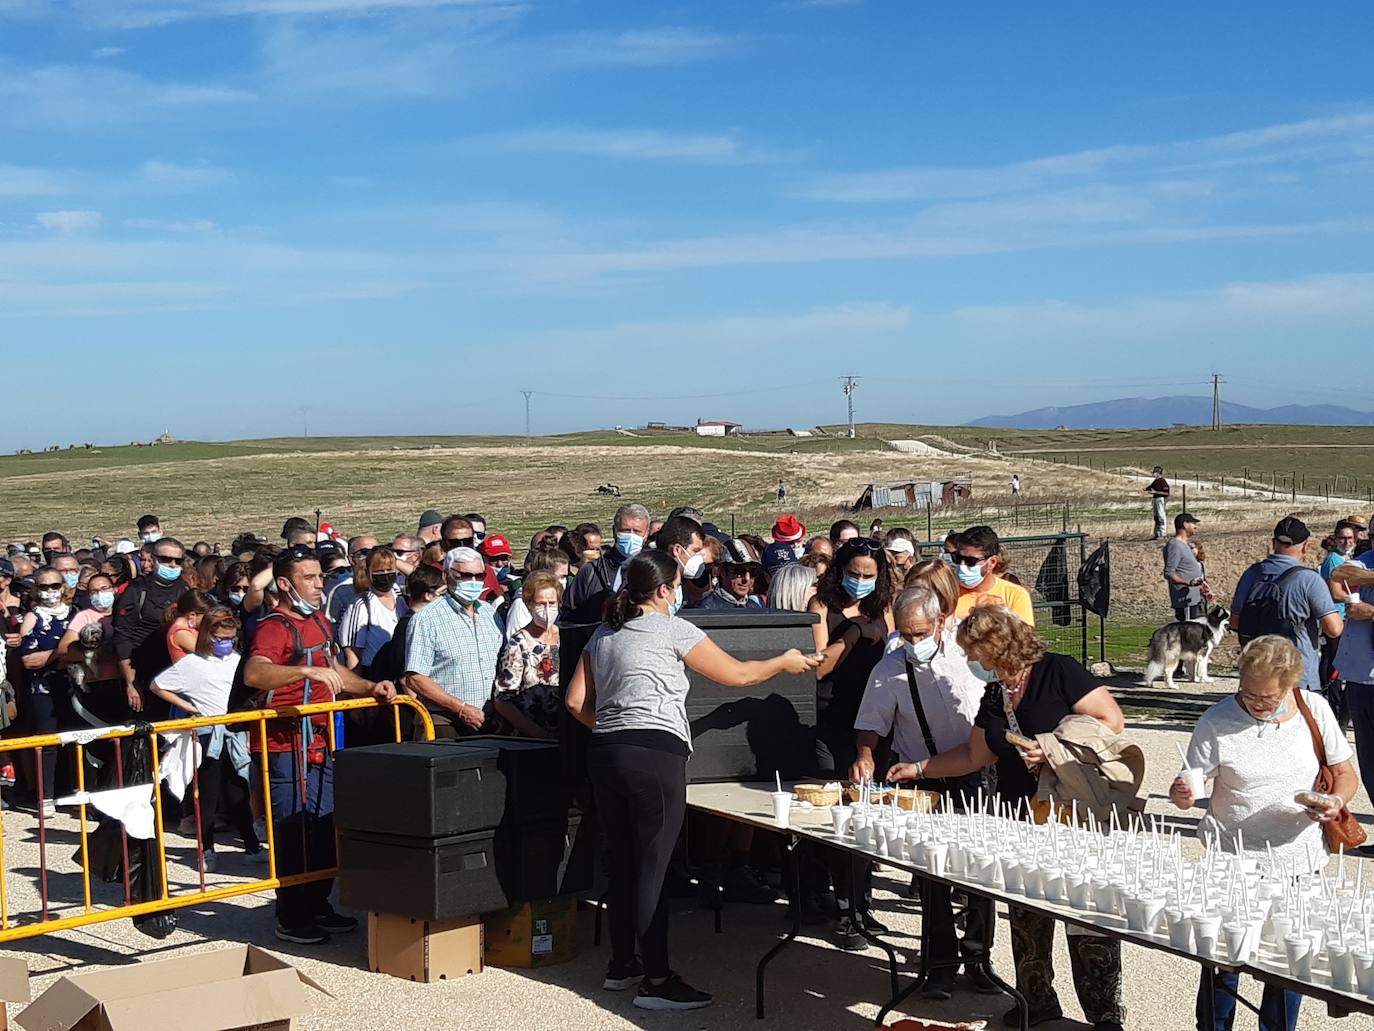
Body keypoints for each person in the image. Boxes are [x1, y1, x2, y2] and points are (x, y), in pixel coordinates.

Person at [565, 551, 816, 1011]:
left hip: (605, 752)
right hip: (654, 753)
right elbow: (737, 675)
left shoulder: (604, 633)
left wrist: (611, 727)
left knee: (624, 862)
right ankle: (657, 980)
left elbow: (575, 701)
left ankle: (622, 966)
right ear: (664, 590)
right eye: (678, 584)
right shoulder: (673, 628)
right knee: (654, 867)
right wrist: (783, 661)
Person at [893, 603, 1127, 1031]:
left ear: (997, 647)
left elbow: (1111, 721)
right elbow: (973, 755)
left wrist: (1055, 748)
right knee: (1026, 913)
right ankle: (1035, 1003)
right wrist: (919, 769)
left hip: (1075, 815)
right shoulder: (996, 692)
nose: (970, 660)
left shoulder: (1059, 671)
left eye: (974, 652)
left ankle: (1105, 1015)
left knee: (1088, 912)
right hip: (1021, 816)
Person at [1171, 635, 1357, 1031]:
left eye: (1268, 697)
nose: (1257, 703)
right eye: (1248, 693)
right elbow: (1186, 790)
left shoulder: (1314, 709)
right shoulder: (1216, 721)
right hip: (1233, 861)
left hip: (1299, 860)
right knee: (1223, 963)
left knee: (1287, 964)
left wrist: (1335, 802)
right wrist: (1182, 794)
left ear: (1290, 685)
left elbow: (1345, 773)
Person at [243, 546, 395, 945]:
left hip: (321, 741)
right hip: (283, 745)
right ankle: (291, 915)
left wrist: (370, 687)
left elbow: (335, 671)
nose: (318, 585)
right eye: (308, 578)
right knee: (293, 832)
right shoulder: (275, 627)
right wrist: (303, 671)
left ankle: (317, 903)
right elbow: (255, 673)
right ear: (284, 583)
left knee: (324, 826)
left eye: (320, 577)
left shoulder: (320, 622)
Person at [852, 585, 994, 999]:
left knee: (980, 869)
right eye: (906, 634)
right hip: (922, 776)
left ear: (939, 622)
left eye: (921, 632)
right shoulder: (889, 668)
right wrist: (864, 755)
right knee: (932, 873)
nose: (914, 641)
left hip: (973, 771)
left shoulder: (966, 657)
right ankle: (940, 964)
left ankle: (979, 958)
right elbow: (871, 722)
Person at [148, 606, 262, 869]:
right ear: (207, 636)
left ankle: (251, 845)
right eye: (220, 638)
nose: (226, 643)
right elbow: (157, 685)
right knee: (208, 794)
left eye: (230, 638)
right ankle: (206, 849)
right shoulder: (191, 663)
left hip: (234, 732)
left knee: (238, 790)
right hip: (208, 734)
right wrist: (188, 707)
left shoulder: (237, 660)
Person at [1229, 516, 1342, 692]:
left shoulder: (1251, 574)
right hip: (1297, 677)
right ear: (1305, 546)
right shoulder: (1309, 579)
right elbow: (1334, 629)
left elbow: (1235, 623)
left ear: (1273, 542)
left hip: (1256, 673)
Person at [404, 547, 504, 739]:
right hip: (443, 721)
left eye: (479, 576)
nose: (473, 581)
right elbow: (416, 678)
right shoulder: (426, 619)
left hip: (488, 720)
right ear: (447, 576)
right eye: (465, 576)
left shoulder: (490, 614)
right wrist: (461, 708)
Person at [113, 536, 190, 714]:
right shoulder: (136, 590)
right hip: (144, 671)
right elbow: (122, 637)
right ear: (154, 559)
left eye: (178, 561)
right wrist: (131, 683)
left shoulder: (185, 589)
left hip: (178, 672)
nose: (172, 565)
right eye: (166, 559)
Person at [19, 566, 75, 813]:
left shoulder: (76, 614)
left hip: (74, 686)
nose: (50, 591)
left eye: (55, 586)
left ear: (63, 587)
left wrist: (58, 656)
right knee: (48, 742)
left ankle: (74, 791)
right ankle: (46, 796)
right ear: (36, 589)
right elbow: (28, 660)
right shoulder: (33, 617)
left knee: (76, 738)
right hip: (43, 688)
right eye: (44, 586)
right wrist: (61, 653)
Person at [493, 571, 563, 739]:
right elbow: (503, 700)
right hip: (532, 735)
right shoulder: (518, 643)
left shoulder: (565, 637)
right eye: (540, 604)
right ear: (529, 604)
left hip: (565, 731)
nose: (547, 609)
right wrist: (537, 734)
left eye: (551, 603)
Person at [60, 573, 126, 724]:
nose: (100, 594)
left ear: (114, 589)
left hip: (124, 682)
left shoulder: (125, 613)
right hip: (96, 684)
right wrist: (94, 655)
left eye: (104, 589)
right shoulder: (84, 617)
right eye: (94, 591)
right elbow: (64, 649)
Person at [339, 547, 406, 676]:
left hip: (401, 671)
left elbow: (424, 578)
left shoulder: (402, 599)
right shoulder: (361, 605)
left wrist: (394, 560)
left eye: (389, 570)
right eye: (379, 571)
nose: (385, 575)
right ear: (369, 573)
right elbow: (352, 653)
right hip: (374, 673)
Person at [952, 526, 1034, 626]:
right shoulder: (947, 594)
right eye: (957, 558)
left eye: (971, 561)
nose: (962, 565)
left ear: (992, 562)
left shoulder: (1015, 595)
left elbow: (1022, 634)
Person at [696, 540, 767, 611]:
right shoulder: (706, 609)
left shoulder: (756, 606)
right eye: (740, 571)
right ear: (722, 571)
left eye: (753, 572)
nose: (747, 579)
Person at [1163, 513, 1205, 622]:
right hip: (1185, 601)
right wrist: (1188, 583)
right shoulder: (1175, 545)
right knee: (1187, 632)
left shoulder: (1185, 545)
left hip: (1193, 599)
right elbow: (1169, 573)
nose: (1196, 526)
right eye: (1193, 523)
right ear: (1185, 525)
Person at [164, 589, 214, 665]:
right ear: (192, 615)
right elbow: (209, 652)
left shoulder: (193, 629)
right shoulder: (180, 633)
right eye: (205, 618)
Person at [1144, 466, 1170, 540]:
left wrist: (1156, 492)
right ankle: (1157, 534)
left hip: (1160, 499)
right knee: (1156, 516)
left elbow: (1166, 493)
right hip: (1155, 499)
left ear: (1158, 473)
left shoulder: (1162, 481)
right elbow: (1150, 487)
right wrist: (1145, 489)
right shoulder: (1156, 481)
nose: (1153, 474)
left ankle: (1162, 534)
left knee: (1161, 516)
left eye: (1154, 472)